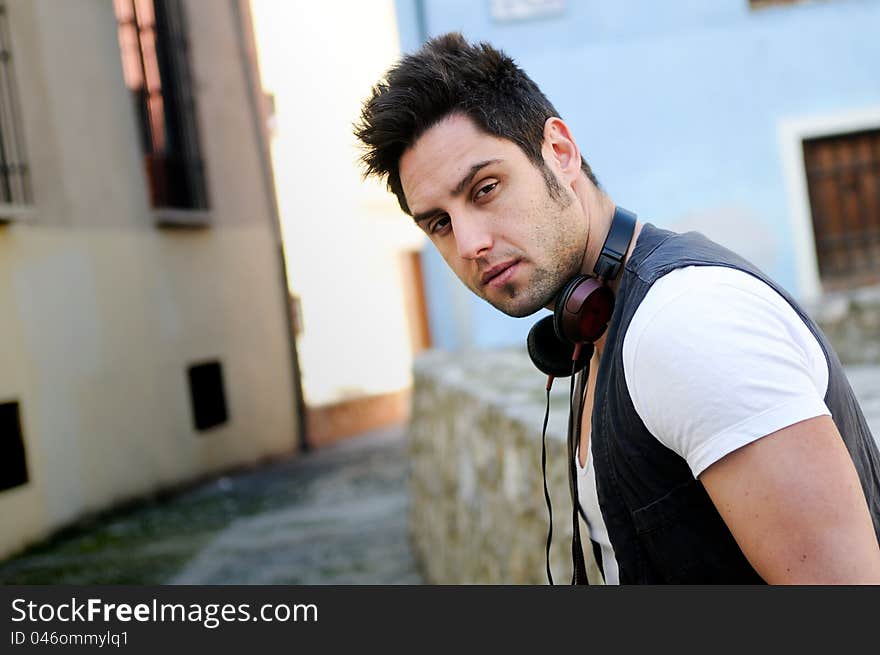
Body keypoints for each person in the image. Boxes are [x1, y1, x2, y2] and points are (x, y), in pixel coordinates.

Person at [353, 32, 880, 584]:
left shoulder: (685, 325)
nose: (468, 244)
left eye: (485, 189)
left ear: (559, 152)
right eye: (439, 222)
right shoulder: (602, 325)